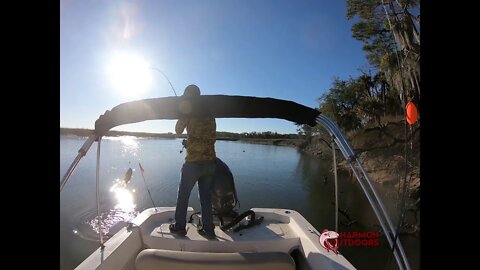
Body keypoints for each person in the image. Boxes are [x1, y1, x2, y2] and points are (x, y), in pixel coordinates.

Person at [169, 84, 217, 239]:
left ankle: (179, 227)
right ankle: (208, 230)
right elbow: (207, 136)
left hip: (193, 163)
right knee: (205, 197)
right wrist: (190, 142)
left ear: (188, 95)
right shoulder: (210, 113)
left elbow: (177, 130)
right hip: (210, 162)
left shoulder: (188, 109)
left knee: (183, 195)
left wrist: (182, 111)